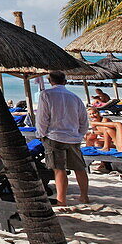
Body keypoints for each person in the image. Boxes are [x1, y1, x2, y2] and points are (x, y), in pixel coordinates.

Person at [35, 70, 90, 207]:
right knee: (79, 168)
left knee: (59, 169)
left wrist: (41, 134)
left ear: (50, 81)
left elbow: (42, 118)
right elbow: (84, 120)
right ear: (65, 81)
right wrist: (79, 135)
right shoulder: (74, 97)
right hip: (72, 137)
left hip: (54, 136)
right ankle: (84, 196)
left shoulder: (46, 94)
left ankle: (61, 200)